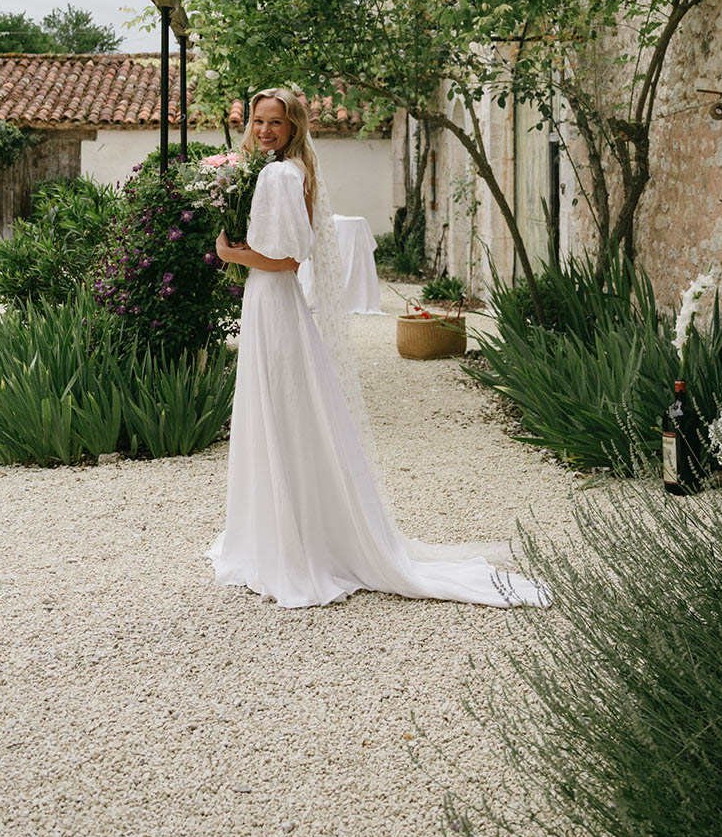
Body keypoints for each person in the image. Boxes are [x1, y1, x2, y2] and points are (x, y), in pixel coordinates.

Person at [208, 87, 549, 609]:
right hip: (273, 308)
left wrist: (231, 252)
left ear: (294, 125)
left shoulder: (280, 173)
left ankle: (286, 545)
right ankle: (292, 532)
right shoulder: (290, 169)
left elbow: (287, 260)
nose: (264, 131)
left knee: (277, 412)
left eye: (274, 122)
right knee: (286, 413)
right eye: (257, 121)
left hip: (273, 305)